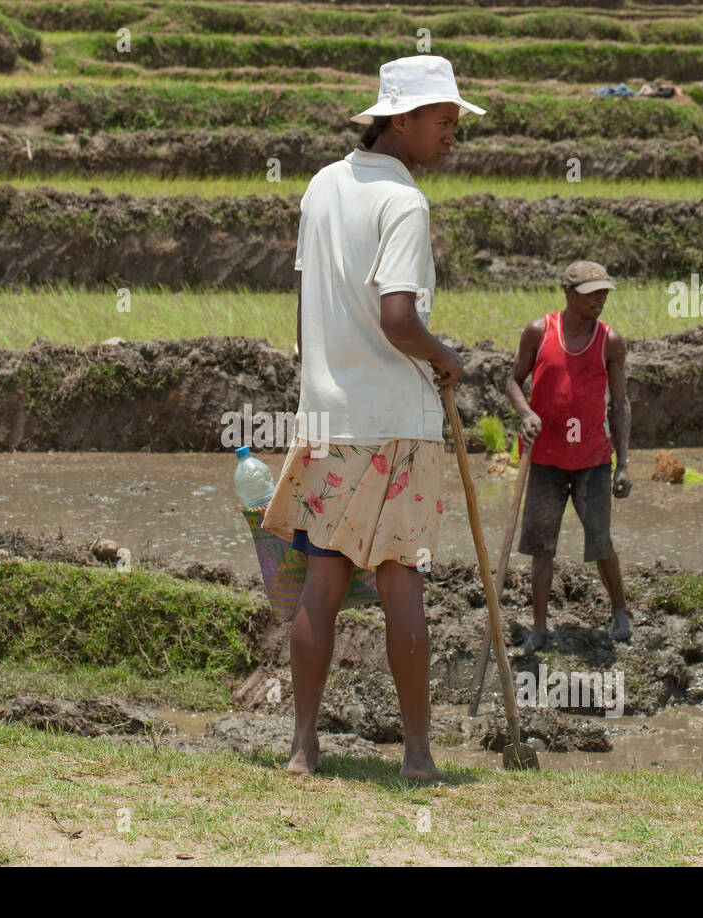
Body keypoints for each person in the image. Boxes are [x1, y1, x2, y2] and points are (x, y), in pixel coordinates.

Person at [262, 55, 482, 779]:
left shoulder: (323, 187)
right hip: (394, 423)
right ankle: (418, 754)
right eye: (443, 123)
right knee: (402, 587)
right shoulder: (405, 202)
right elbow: (397, 318)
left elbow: (305, 311)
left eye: (454, 124)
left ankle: (302, 747)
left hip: (326, 417)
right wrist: (446, 358)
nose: (451, 136)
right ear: (400, 119)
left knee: (320, 585)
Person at [506, 261, 633, 654]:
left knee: (600, 541)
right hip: (545, 457)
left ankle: (620, 611)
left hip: (593, 459)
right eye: (592, 293)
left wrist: (623, 463)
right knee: (541, 547)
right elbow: (512, 380)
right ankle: (540, 628)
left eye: (604, 293)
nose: (600, 299)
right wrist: (527, 414)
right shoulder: (539, 332)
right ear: (568, 293)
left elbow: (620, 403)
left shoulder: (610, 341)